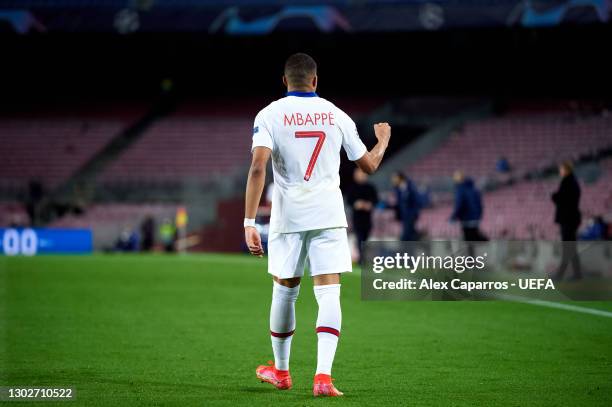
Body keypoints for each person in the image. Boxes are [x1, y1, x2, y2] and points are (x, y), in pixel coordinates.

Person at [243, 53, 391, 397]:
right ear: (315, 80)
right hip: (328, 213)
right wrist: (382, 140)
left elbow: (257, 168)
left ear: (284, 81)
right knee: (328, 292)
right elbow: (368, 165)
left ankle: (281, 372)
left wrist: (249, 221)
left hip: (288, 215)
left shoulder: (269, 114)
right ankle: (323, 378)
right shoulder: (336, 114)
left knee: (285, 290)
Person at [552, 161, 582, 280]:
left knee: (568, 247)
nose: (560, 171)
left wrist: (554, 197)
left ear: (566, 170)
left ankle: (561, 274)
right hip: (572, 218)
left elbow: (564, 200)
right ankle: (576, 274)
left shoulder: (567, 182)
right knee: (571, 247)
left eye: (561, 169)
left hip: (568, 219)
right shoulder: (573, 182)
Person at [346, 168, 378, 262]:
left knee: (366, 238)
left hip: (367, 218)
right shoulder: (352, 188)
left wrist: (370, 204)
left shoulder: (370, 187)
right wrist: (356, 204)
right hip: (357, 218)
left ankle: (363, 257)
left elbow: (375, 200)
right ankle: (361, 258)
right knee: (359, 237)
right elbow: (349, 201)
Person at [450, 171, 486, 242]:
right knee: (474, 238)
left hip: (466, 219)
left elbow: (459, 205)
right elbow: (480, 205)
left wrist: (454, 217)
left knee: (469, 241)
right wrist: (478, 216)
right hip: (475, 219)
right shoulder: (475, 190)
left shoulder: (460, 190)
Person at [391, 172, 421, 241]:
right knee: (410, 233)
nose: (393, 180)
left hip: (411, 214)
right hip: (404, 215)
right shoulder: (397, 188)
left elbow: (415, 200)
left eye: (395, 178)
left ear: (400, 178)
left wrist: (414, 212)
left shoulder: (410, 186)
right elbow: (398, 202)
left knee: (406, 234)